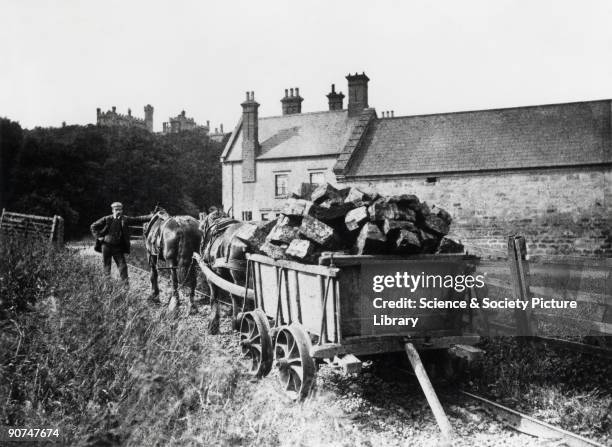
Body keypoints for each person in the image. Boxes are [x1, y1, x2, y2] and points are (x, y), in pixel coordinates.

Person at [90, 202, 150, 282]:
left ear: (122, 210)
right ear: (112, 210)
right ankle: (107, 285)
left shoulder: (125, 219)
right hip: (106, 246)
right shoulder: (107, 218)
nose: (118, 211)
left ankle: (125, 286)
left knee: (123, 266)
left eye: (120, 209)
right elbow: (93, 226)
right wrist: (99, 236)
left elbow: (138, 219)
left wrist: (152, 216)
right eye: (116, 209)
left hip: (117, 248)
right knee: (107, 266)